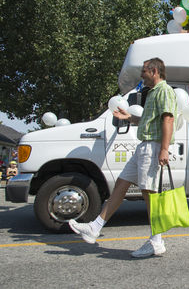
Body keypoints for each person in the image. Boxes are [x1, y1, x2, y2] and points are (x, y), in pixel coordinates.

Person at [69, 57, 177, 258]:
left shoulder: (164, 91)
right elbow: (149, 120)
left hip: (152, 147)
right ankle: (95, 227)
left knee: (149, 193)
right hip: (144, 146)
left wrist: (164, 149)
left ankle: (156, 241)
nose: (141, 75)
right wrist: (129, 118)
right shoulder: (153, 92)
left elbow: (168, 119)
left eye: (144, 71)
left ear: (154, 71)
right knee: (121, 183)